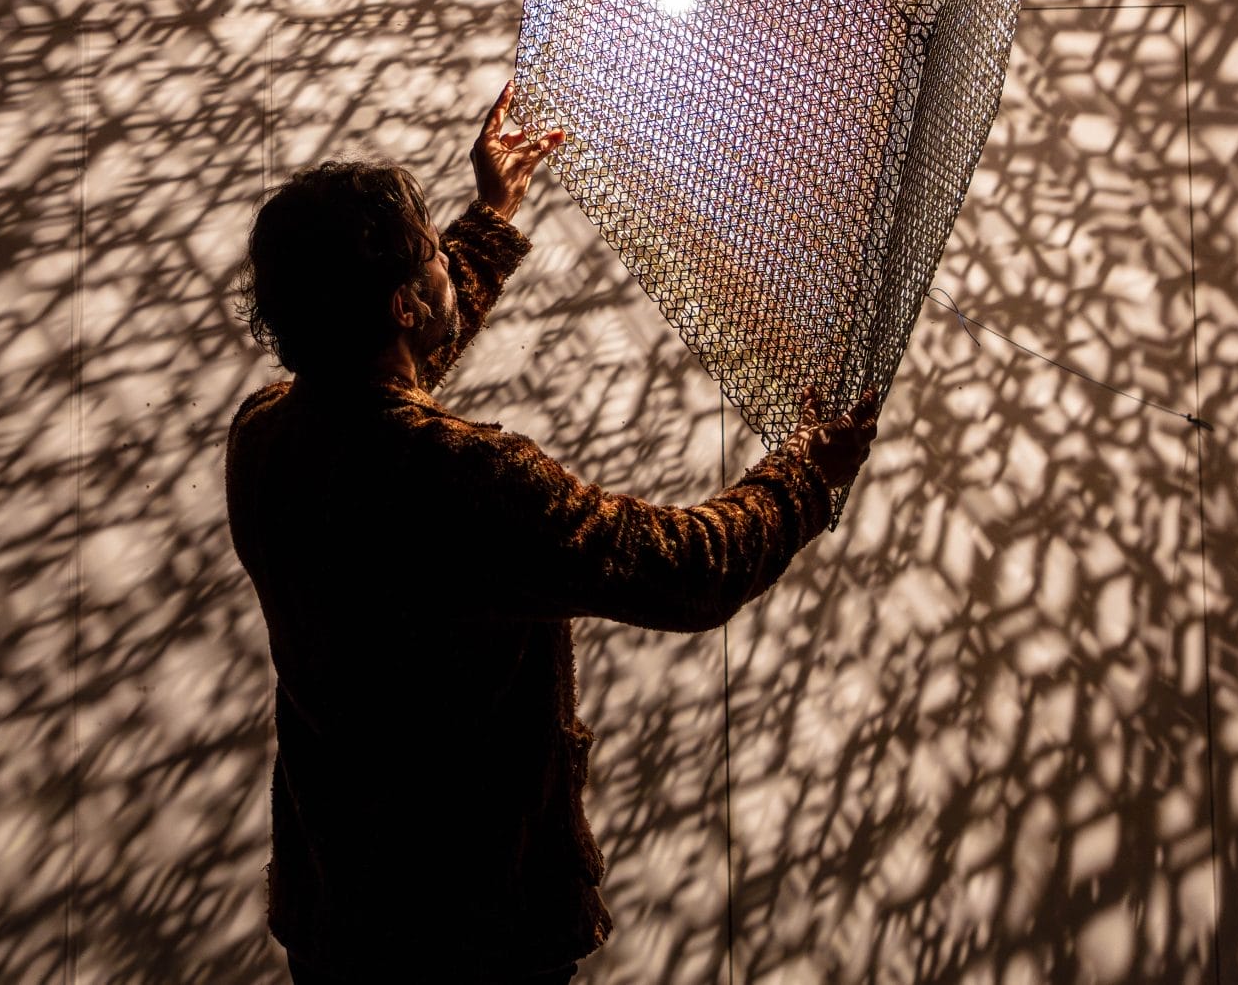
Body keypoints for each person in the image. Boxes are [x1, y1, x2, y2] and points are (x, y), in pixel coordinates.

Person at [224, 78, 880, 984]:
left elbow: (384, 388)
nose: (444, 266)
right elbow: (685, 570)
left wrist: (489, 217)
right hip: (472, 929)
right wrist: (808, 473)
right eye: (432, 258)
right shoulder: (472, 480)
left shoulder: (265, 435)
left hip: (337, 907)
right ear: (404, 307)